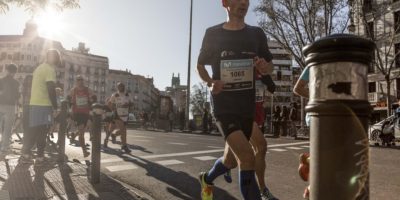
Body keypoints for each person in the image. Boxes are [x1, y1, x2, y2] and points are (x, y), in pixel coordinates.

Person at [196, 0, 274, 199]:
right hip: (224, 107)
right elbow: (200, 66)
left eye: (247, 0)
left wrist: (266, 67)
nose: (243, 3)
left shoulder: (257, 34)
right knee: (247, 156)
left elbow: (269, 66)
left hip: (246, 108)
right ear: (225, 3)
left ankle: (207, 178)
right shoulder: (213, 33)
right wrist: (210, 82)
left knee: (229, 161)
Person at [223, 72, 279, 200]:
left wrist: (265, 76)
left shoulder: (261, 69)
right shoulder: (241, 67)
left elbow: (272, 88)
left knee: (230, 161)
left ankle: (219, 170)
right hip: (243, 114)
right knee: (261, 145)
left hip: (256, 113)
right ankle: (262, 190)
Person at [19, 49, 60, 165]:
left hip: (34, 103)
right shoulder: (50, 69)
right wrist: (55, 106)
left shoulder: (39, 68)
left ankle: (25, 155)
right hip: (44, 105)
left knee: (33, 131)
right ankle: (40, 158)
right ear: (55, 58)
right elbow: (51, 88)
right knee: (43, 131)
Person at [293, 66, 310, 199]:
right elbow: (297, 88)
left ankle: (307, 161)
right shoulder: (313, 63)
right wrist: (318, 96)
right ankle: (311, 190)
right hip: (318, 115)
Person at [68, 75, 95, 157]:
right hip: (78, 114)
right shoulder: (73, 90)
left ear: (83, 81)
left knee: (84, 129)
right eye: (78, 80)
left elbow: (94, 97)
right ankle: (84, 151)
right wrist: (70, 109)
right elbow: (68, 99)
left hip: (87, 113)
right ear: (76, 81)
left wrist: (92, 103)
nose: (80, 81)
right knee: (81, 132)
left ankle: (74, 136)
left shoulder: (88, 89)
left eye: (81, 80)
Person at [0, 64, 20, 156]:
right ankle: (4, 147)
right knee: (7, 128)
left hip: (0, 104)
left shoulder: (1, 80)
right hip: (10, 106)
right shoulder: (16, 83)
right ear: (15, 72)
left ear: (7, 70)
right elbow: (17, 96)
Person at [107, 82, 132, 153]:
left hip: (125, 115)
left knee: (122, 130)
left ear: (124, 87)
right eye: (119, 86)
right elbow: (109, 103)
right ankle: (124, 145)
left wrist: (129, 106)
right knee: (124, 130)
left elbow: (131, 103)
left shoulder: (128, 95)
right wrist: (112, 109)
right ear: (117, 87)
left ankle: (114, 135)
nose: (121, 87)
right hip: (117, 114)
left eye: (122, 86)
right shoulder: (115, 95)